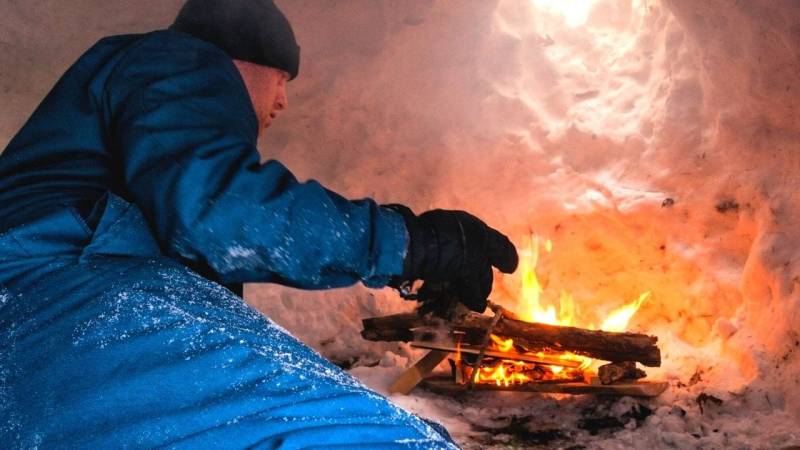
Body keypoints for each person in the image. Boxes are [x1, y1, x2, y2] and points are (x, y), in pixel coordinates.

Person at [0, 0, 518, 447]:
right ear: (242, 58)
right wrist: (414, 242)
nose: (283, 101)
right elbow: (224, 210)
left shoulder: (133, 116)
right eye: (281, 79)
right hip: (61, 293)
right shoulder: (181, 58)